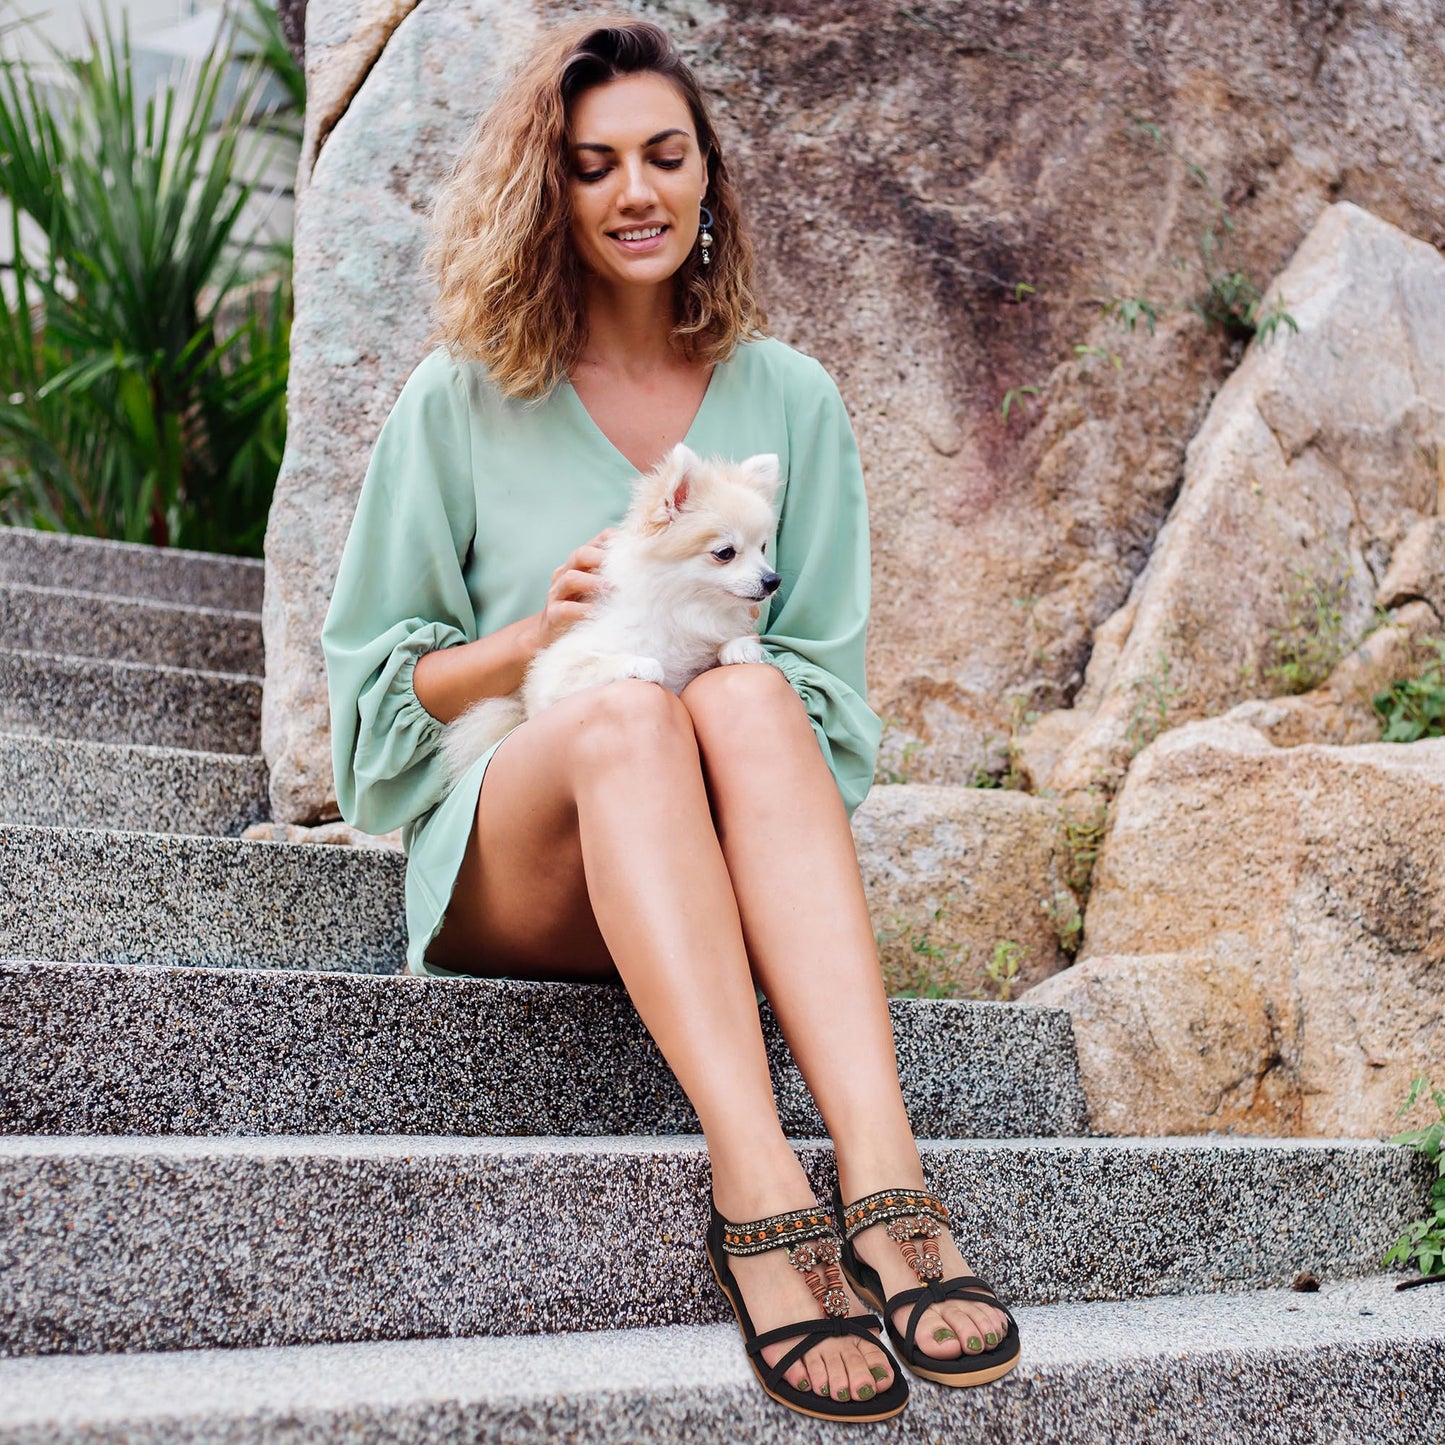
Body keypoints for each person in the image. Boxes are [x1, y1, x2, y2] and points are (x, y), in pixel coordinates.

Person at [322, 15, 1018, 1424]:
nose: (633, 192)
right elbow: (371, 715)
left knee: (751, 687)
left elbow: (824, 697)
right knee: (627, 715)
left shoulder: (791, 401)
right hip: (525, 860)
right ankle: (757, 1181)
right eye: (592, 166)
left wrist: (717, 680)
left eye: (662, 156)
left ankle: (884, 1179)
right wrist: (535, 638)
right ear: (551, 192)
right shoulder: (460, 400)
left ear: (708, 179)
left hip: (706, 842)